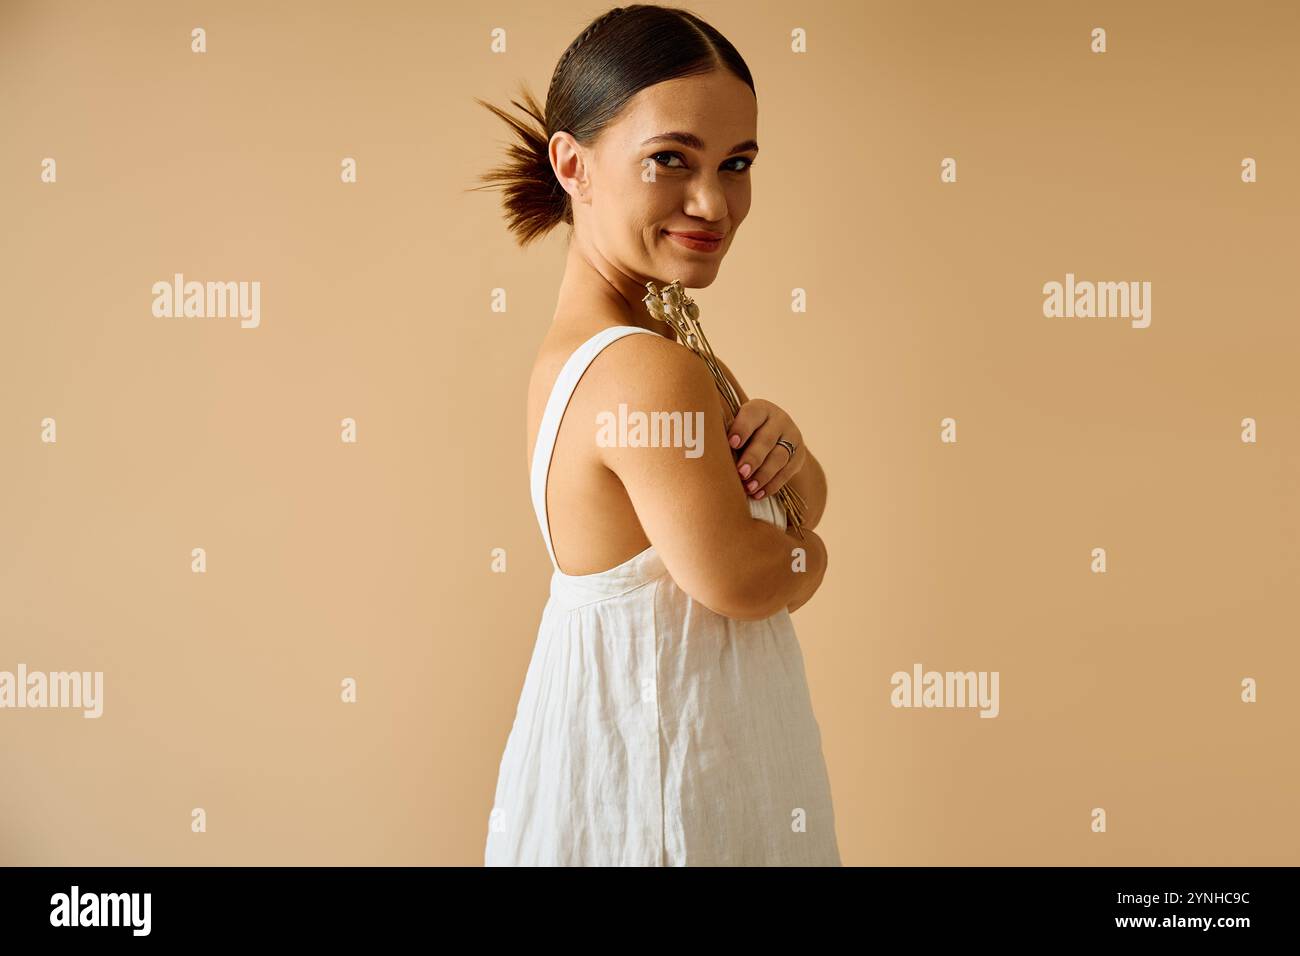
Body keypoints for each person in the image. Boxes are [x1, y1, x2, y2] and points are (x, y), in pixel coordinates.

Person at [473, 4, 840, 866]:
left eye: (737, 163)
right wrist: (814, 554)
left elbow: (781, 500)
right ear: (575, 164)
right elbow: (744, 576)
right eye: (670, 159)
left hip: (631, 768)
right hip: (666, 788)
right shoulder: (647, 368)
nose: (714, 201)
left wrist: (790, 462)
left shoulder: (627, 350)